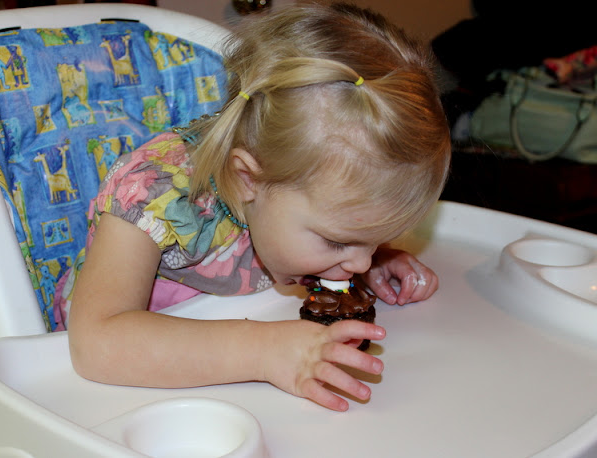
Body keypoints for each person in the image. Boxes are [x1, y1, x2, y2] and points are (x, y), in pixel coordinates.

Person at [64, 2, 451, 412]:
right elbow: (94, 344)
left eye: (372, 239)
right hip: (126, 394)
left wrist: (372, 256)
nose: (359, 263)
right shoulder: (152, 196)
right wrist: (264, 351)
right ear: (248, 179)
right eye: (338, 242)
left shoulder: (290, 189)